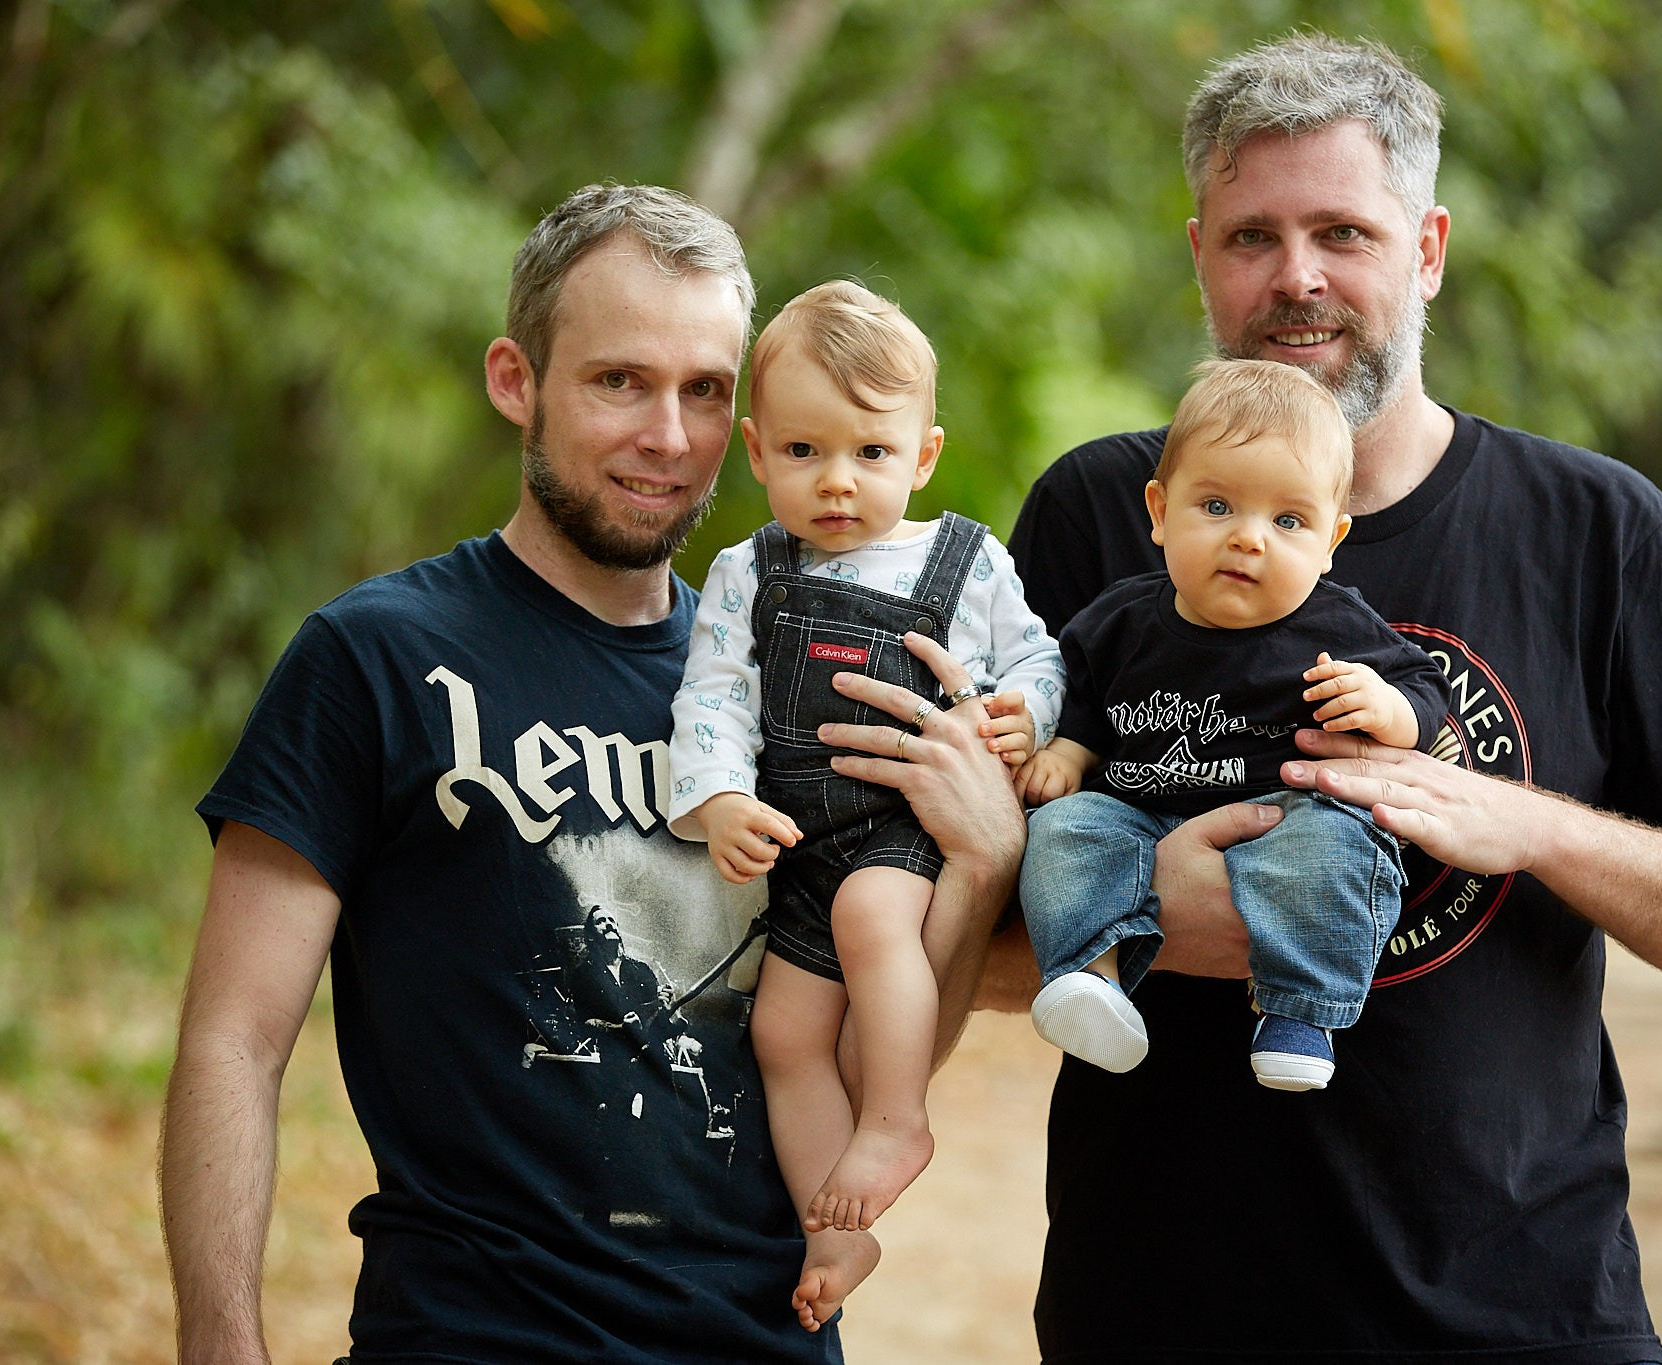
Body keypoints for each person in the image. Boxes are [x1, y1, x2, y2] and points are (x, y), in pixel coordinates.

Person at [997, 33, 1662, 1364]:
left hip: (1523, 1320)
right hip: (1159, 1314)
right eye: (1252, 236)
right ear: (1198, 253)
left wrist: (1530, 824)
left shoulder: (1597, 529)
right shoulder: (1103, 513)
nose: (1297, 278)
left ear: (1427, 248)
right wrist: (1148, 909)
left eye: (1344, 231)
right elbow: (953, 908)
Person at [156, 183, 1025, 1365]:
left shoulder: (795, 677)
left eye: (705, 391)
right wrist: (220, 1340)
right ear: (517, 380)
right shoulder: (376, 656)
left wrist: (978, 860)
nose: (668, 436)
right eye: (619, 380)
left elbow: (877, 1056)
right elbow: (233, 1042)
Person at [667, 279, 1062, 1323]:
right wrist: (714, 802)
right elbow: (712, 695)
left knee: (867, 916)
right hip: (797, 845)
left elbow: (1035, 656)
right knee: (784, 1037)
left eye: (870, 454)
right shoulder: (747, 572)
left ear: (922, 455)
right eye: (803, 454)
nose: (836, 482)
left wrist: (1020, 711)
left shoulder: (965, 561)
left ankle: (894, 1118)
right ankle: (833, 1234)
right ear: (757, 453)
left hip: (901, 835)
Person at [1017, 357, 1447, 1089]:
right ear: (1158, 511)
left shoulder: (1336, 623)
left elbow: (1423, 689)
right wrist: (1069, 748)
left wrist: (1389, 706)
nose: (1249, 538)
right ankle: (1092, 978)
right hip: (1139, 813)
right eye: (1217, 507)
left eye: (1288, 520)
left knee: (1337, 839)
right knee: (1067, 828)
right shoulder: (1122, 616)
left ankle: (1298, 1010)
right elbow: (1084, 686)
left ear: (1330, 539)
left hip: (1282, 812)